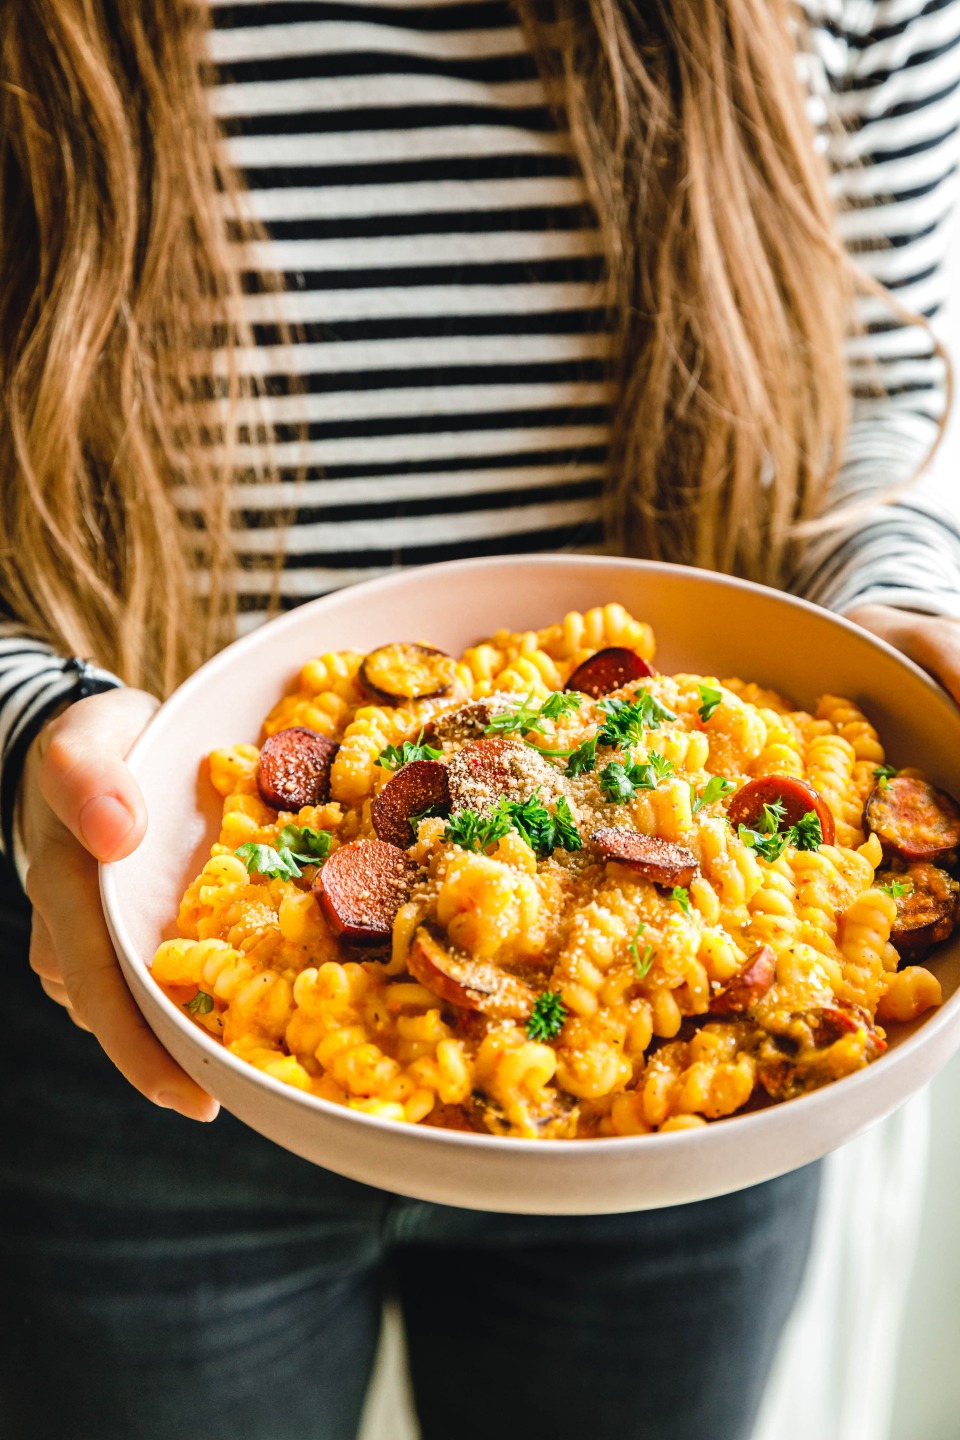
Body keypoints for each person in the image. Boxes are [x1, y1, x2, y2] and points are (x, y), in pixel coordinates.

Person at [2, 1, 960, 1437]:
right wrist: (28, 717)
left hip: (709, 1098)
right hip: (110, 1000)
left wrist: (893, 606)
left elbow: (880, 385)